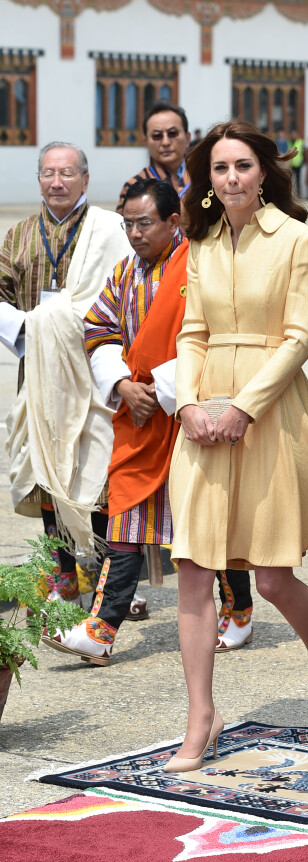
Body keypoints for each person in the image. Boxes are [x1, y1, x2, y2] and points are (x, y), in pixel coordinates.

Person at [164, 118, 308, 772]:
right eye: (220, 168)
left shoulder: (296, 238)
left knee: (270, 578)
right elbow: (192, 332)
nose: (232, 178)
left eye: (242, 165)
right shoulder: (201, 241)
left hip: (270, 410)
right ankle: (201, 717)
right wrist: (187, 403)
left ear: (263, 171)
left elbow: (299, 337)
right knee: (193, 568)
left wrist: (246, 407)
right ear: (207, 179)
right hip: (202, 414)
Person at [42, 178, 184, 665]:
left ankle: (238, 608)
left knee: (205, 521)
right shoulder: (124, 271)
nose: (135, 234)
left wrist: (161, 390)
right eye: (128, 225)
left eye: (145, 223)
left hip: (185, 413)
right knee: (125, 516)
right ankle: (100, 630)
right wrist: (123, 385)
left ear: (173, 221)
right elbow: (98, 328)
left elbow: (212, 336)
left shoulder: (198, 267)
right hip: (138, 418)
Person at [0, 141, 130, 605]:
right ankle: (65, 576)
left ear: (85, 179)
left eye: (67, 173)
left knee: (99, 471)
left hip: (95, 370)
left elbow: (124, 290)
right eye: (49, 174)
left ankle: (109, 580)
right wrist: (30, 328)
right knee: (48, 472)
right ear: (39, 179)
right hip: (39, 373)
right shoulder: (17, 237)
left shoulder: (109, 230)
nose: (57, 182)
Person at [116, 100, 191, 212]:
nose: (165, 142)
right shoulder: (134, 186)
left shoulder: (205, 178)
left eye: (172, 133)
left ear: (187, 138)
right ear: (146, 143)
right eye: (157, 135)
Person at [288, 129, 305, 197]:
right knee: (290, 180)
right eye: (292, 134)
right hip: (290, 164)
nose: (293, 136)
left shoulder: (300, 142)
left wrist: (303, 161)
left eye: (294, 134)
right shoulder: (288, 142)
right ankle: (290, 194)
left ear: (297, 135)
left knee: (298, 180)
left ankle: (299, 194)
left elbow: (303, 152)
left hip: (298, 164)